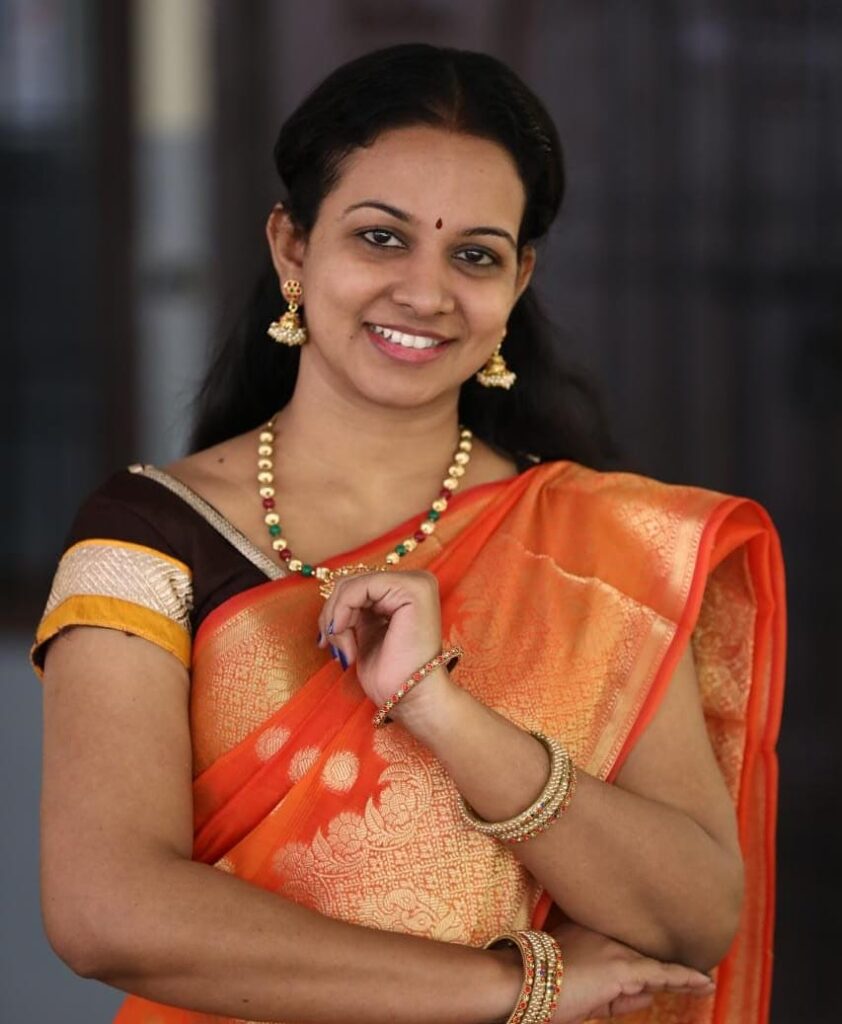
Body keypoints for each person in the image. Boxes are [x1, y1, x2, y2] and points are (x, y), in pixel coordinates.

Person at [32, 43, 785, 1024]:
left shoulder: (601, 544)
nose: (426, 293)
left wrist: (442, 712)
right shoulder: (148, 537)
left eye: (474, 255)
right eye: (381, 238)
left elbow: (693, 920)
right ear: (291, 247)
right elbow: (105, 911)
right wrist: (514, 987)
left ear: (518, 280)